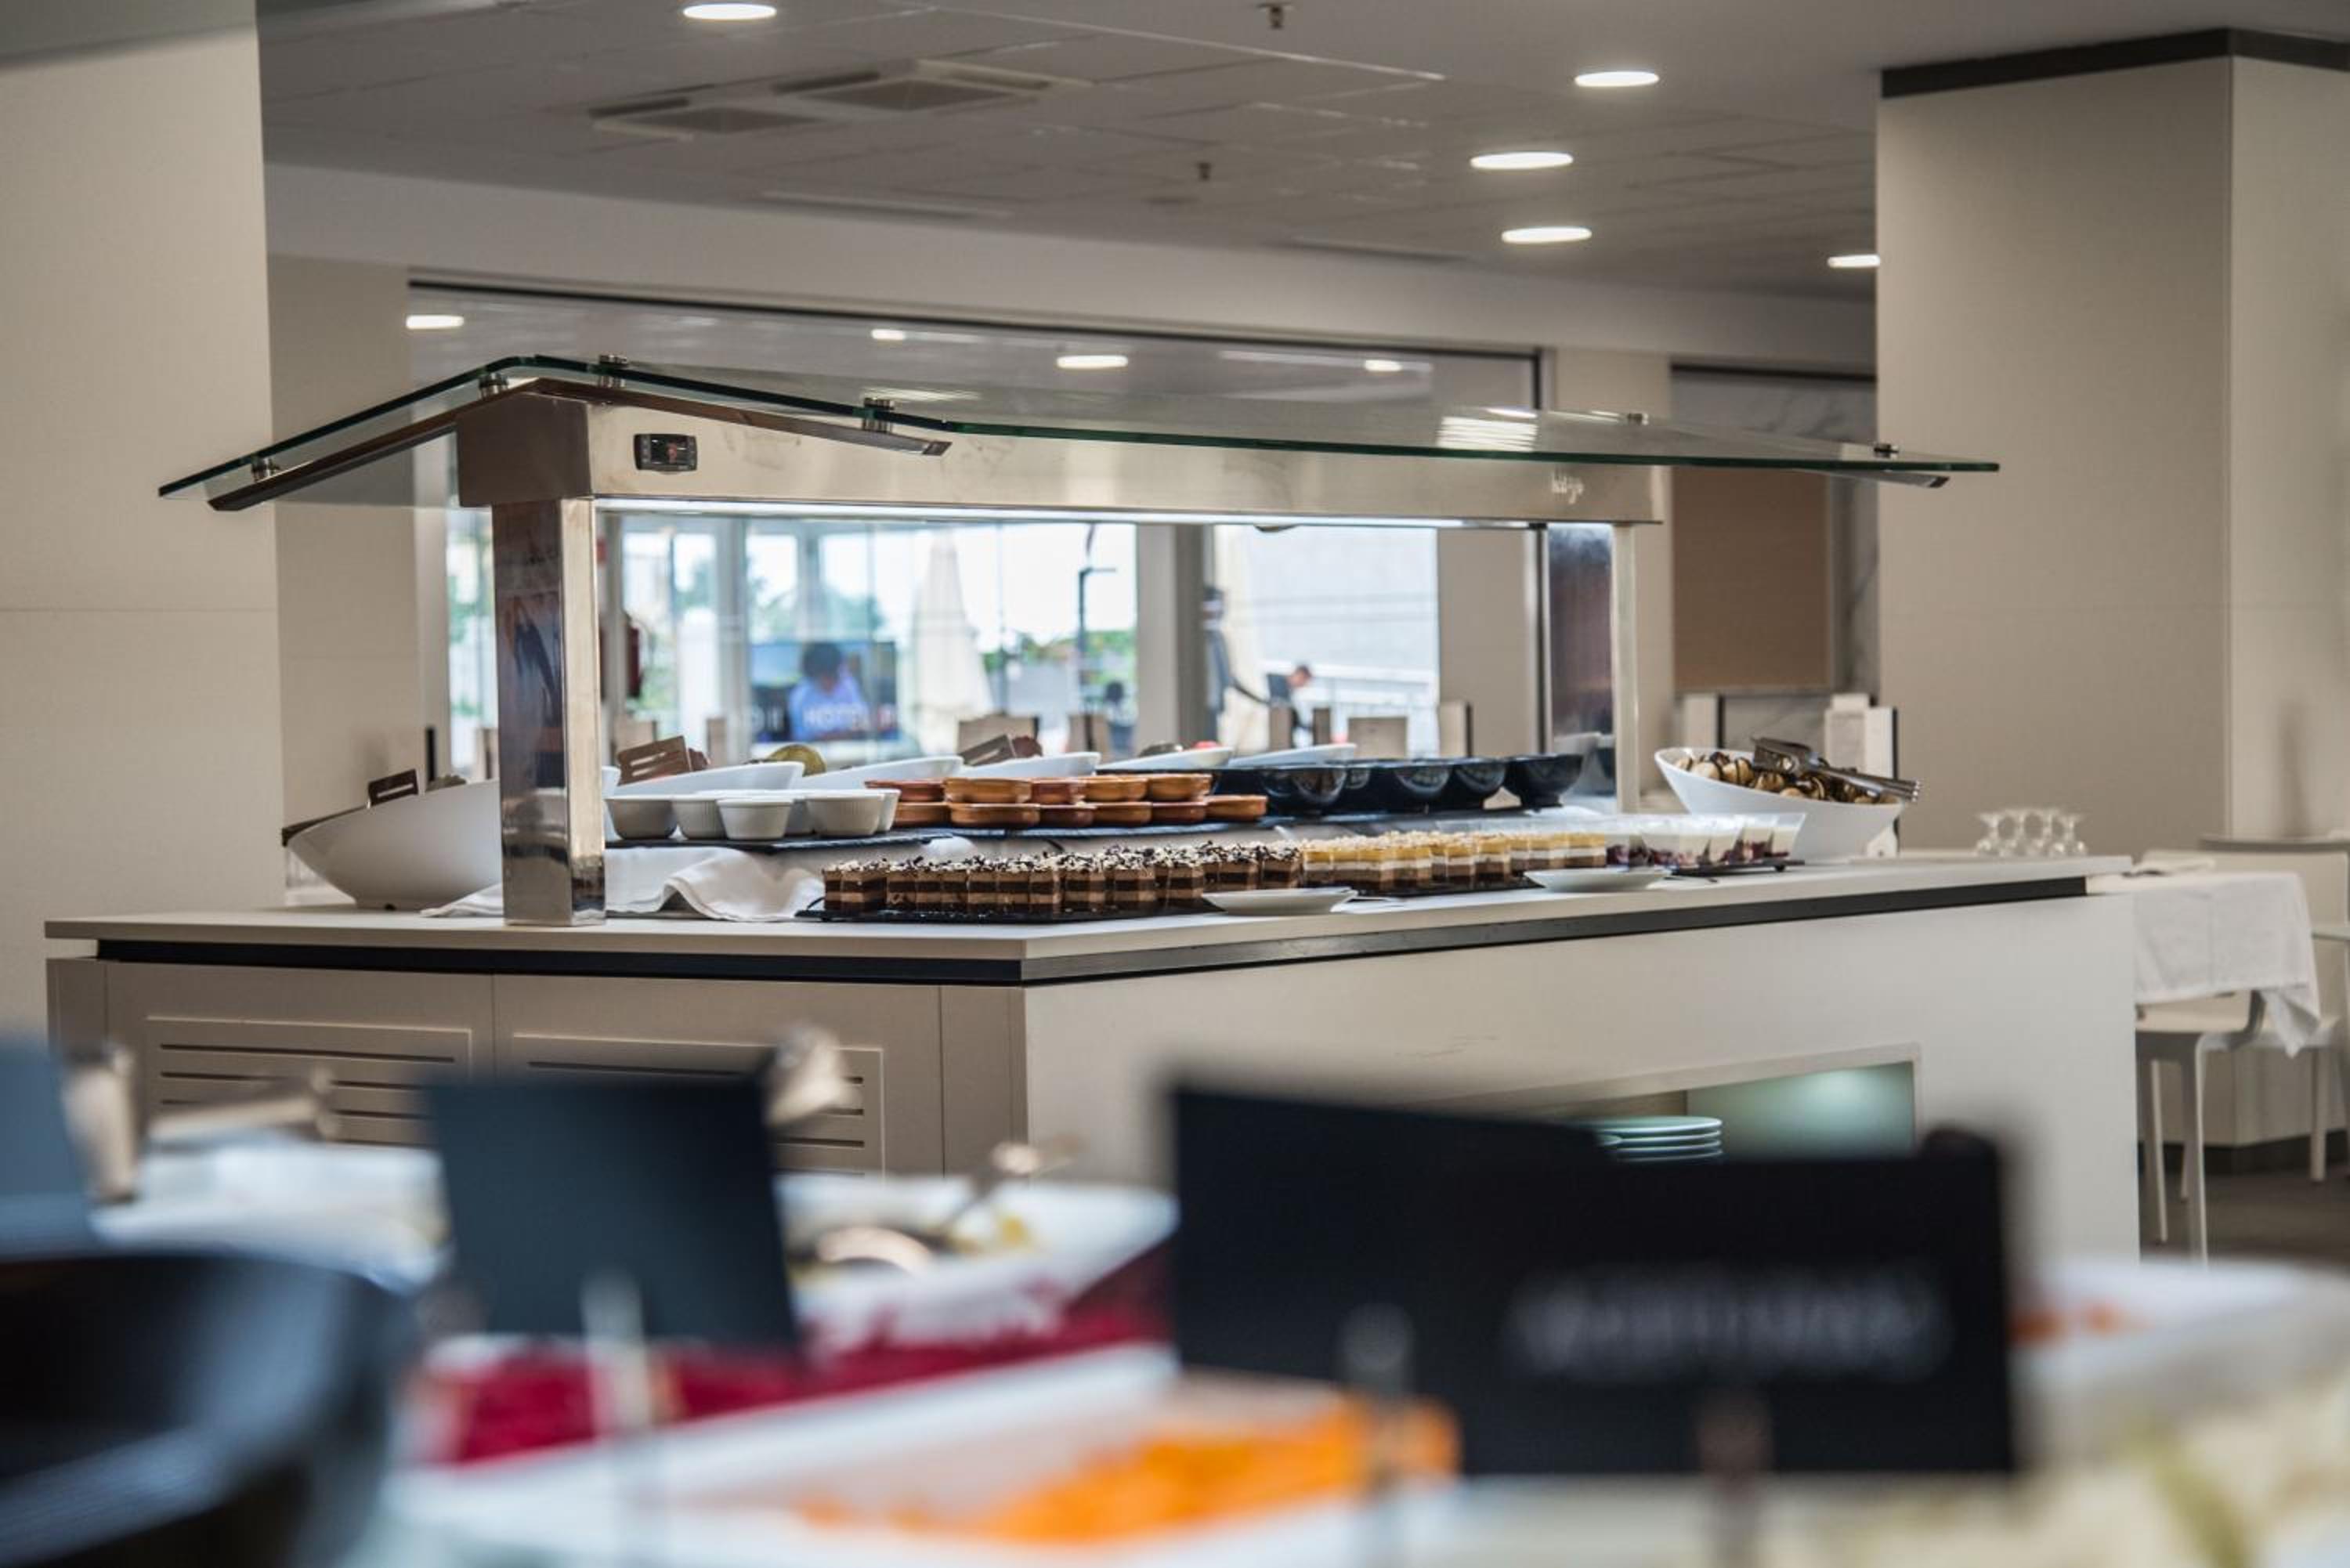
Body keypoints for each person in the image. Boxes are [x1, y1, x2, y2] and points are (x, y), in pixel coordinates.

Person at [786, 641, 870, 741]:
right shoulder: (801, 696)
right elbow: (800, 737)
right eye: (825, 677)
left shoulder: (849, 685)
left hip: (850, 748)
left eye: (833, 676)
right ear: (813, 675)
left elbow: (863, 723)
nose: (830, 682)